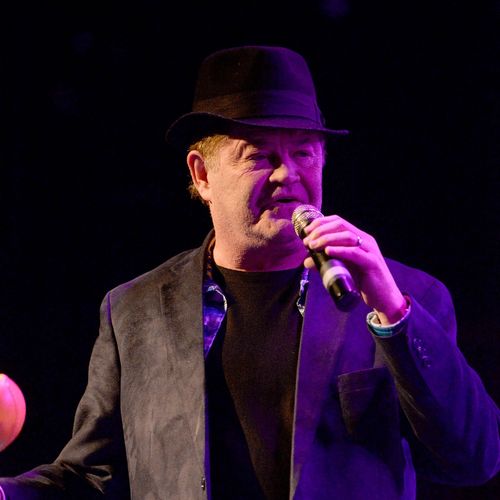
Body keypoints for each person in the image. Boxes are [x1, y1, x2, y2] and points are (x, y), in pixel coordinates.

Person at [0, 45, 499, 500]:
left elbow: (474, 459)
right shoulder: (135, 311)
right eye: (259, 155)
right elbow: (91, 477)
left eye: (304, 152)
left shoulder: (402, 296)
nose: (288, 174)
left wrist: (393, 314)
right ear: (202, 175)